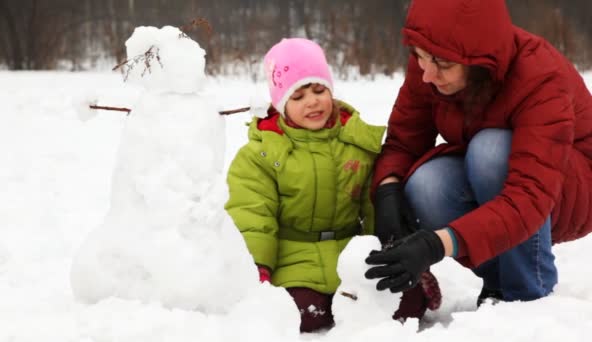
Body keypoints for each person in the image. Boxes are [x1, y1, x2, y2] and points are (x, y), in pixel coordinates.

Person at [365, 0, 592, 307]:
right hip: (496, 174)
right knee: (425, 185)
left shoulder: (540, 77)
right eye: (420, 58)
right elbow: (405, 141)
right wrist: (387, 190)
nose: (428, 75)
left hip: (565, 187)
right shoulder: (431, 61)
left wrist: (436, 245)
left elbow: (529, 194)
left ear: (479, 62)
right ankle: (499, 282)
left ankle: (528, 292)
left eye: (444, 65)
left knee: (490, 150)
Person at [225, 38, 440, 332]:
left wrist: (402, 260)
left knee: (410, 303)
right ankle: (323, 306)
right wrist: (259, 272)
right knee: (303, 313)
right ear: (280, 103)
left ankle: (372, 300)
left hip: (351, 256)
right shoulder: (261, 155)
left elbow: (377, 208)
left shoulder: (356, 142)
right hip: (294, 259)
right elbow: (253, 218)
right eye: (298, 96)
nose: (312, 101)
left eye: (319, 90)